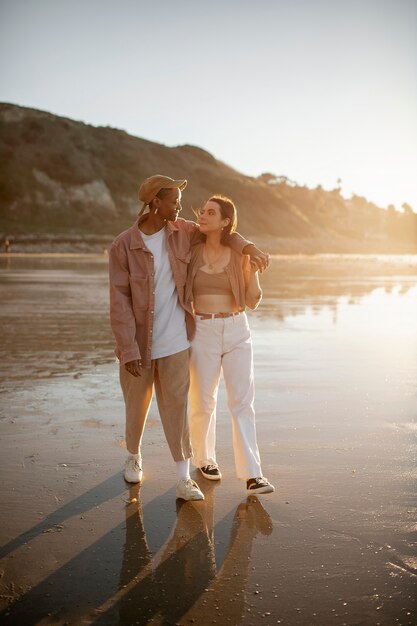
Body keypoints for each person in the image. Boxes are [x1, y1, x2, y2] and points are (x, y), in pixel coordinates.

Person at [109, 175, 270, 501]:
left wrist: (249, 247)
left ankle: (202, 477)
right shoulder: (127, 245)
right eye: (174, 200)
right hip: (160, 338)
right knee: (147, 404)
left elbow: (229, 234)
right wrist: (128, 349)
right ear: (156, 202)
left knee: (190, 407)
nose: (183, 207)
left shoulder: (183, 232)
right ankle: (141, 456)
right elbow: (119, 301)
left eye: (182, 202)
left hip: (194, 337)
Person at [185, 195, 275, 494]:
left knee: (241, 402)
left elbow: (252, 301)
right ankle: (204, 459)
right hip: (202, 329)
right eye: (203, 211)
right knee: (202, 400)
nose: (204, 215)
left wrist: (252, 276)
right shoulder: (191, 251)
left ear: (225, 221)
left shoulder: (238, 255)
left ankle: (253, 474)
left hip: (237, 328)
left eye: (212, 212)